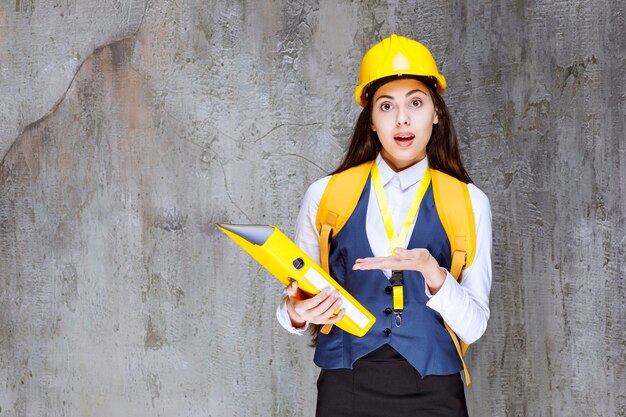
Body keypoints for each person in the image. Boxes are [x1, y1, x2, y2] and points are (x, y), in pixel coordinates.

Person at [276, 34, 492, 417]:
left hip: (436, 391)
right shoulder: (326, 195)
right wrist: (297, 312)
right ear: (372, 120)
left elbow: (474, 327)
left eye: (416, 102)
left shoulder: (468, 201)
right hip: (346, 387)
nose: (403, 118)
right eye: (386, 106)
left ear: (436, 113)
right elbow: (295, 300)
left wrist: (434, 274)